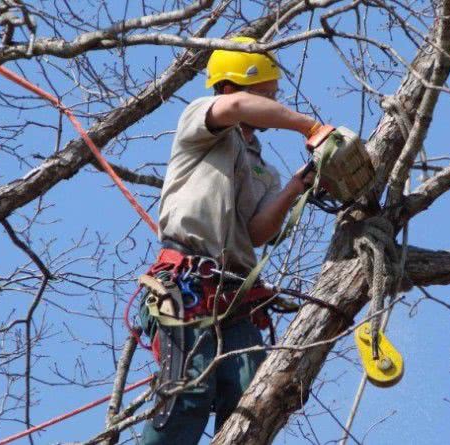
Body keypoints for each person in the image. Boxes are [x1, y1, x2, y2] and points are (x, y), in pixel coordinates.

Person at [141, 36, 330, 445]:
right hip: (185, 282)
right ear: (229, 87)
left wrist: (299, 184)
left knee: (250, 399)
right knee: (187, 396)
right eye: (267, 96)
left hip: (236, 296)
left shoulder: (264, 170)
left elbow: (259, 232)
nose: (274, 104)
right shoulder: (201, 123)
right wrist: (309, 126)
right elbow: (237, 109)